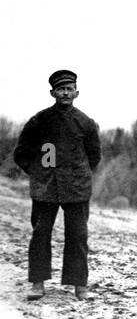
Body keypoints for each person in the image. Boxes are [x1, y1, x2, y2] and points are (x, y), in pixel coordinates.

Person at [13, 70, 102, 301]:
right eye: (61, 89)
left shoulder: (86, 123)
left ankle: (79, 285)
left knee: (78, 236)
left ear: (77, 92)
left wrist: (78, 175)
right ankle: (37, 283)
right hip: (46, 188)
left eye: (69, 88)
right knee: (40, 233)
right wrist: (39, 173)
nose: (65, 93)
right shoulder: (39, 120)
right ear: (52, 92)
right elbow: (22, 154)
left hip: (76, 188)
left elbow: (94, 156)